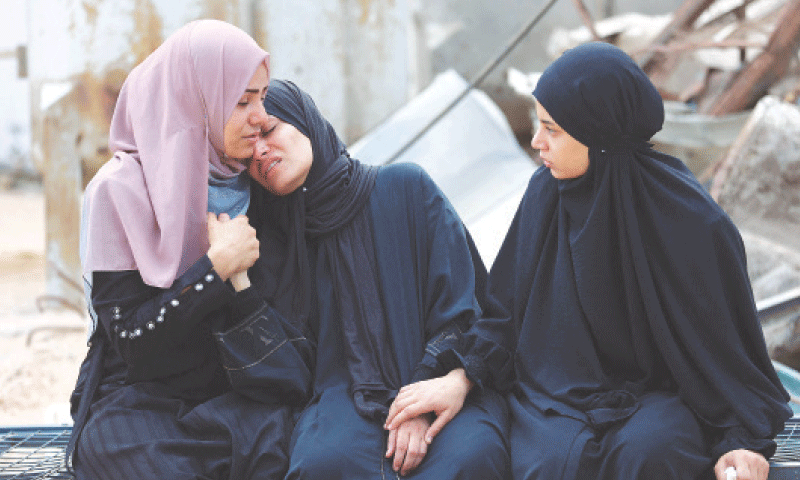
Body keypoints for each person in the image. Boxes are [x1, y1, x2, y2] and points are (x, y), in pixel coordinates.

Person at [384, 42, 792, 480]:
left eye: (552, 129)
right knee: (549, 461)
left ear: (597, 133)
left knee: (653, 453)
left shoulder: (690, 222)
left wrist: (740, 443)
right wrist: (459, 379)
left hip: (658, 395)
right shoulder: (546, 194)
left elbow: (724, 353)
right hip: (551, 394)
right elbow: (503, 315)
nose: (537, 142)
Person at [68, 19, 312, 480]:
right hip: (140, 400)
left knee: (300, 450)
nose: (261, 115)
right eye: (242, 101)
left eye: (261, 96)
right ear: (193, 103)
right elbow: (133, 347)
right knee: (129, 456)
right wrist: (214, 269)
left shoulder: (259, 183)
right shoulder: (120, 191)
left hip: (240, 392)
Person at [244, 79, 510, 479]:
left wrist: (423, 396)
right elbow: (286, 367)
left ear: (305, 121)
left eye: (269, 131)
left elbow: (465, 309)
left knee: (469, 460)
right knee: (322, 466)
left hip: (445, 381)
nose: (260, 152)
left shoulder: (404, 188)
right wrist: (234, 281)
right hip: (341, 402)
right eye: (247, 153)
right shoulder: (274, 241)